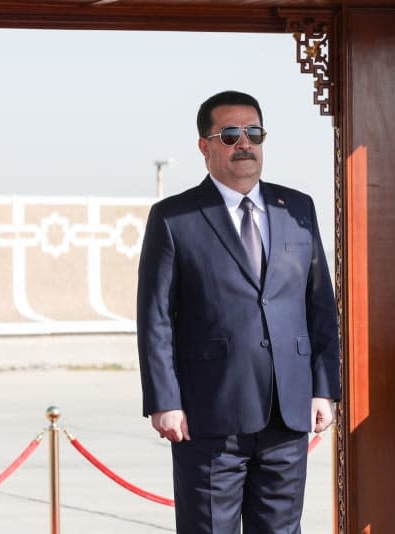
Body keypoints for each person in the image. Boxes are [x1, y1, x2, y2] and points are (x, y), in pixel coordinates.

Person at [137, 90, 340, 533]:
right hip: (209, 417)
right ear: (204, 146)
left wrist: (323, 388)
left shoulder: (298, 208)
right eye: (230, 134)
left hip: (287, 416)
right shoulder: (174, 218)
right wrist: (164, 401)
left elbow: (319, 304)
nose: (244, 143)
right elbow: (156, 319)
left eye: (253, 132)